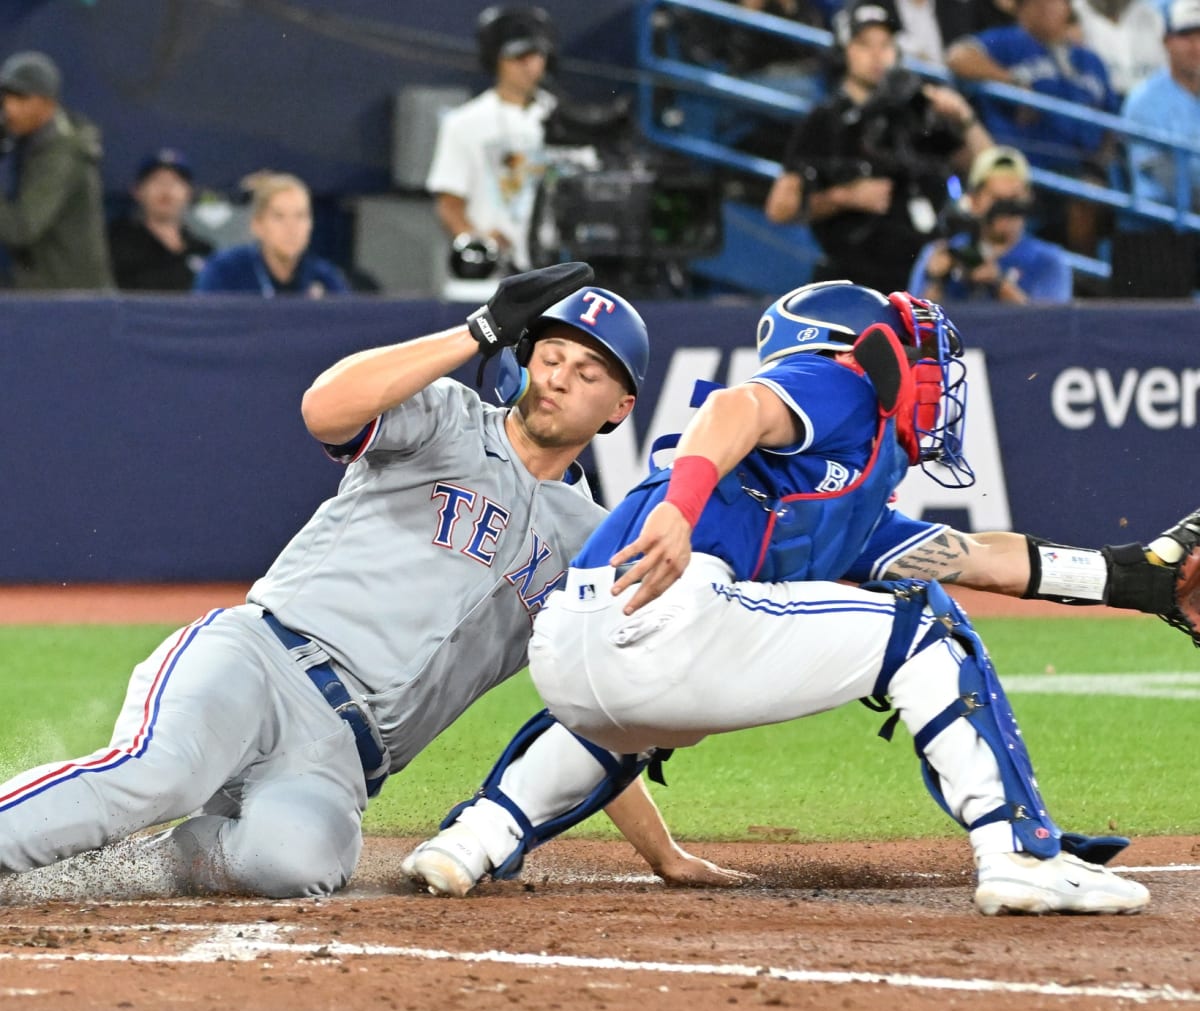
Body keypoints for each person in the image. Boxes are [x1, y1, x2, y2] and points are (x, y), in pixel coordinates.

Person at [404, 280, 1190, 914]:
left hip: (580, 651)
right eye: (916, 354)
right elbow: (733, 407)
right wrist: (682, 507)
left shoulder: (842, 495)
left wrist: (1126, 575)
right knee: (928, 637)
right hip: (672, 612)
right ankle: (1019, 854)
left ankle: (471, 840)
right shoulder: (841, 383)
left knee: (623, 717)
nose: (930, 375)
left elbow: (974, 557)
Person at [0, 263, 736, 900]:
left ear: (621, 408)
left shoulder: (589, 540)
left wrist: (660, 852)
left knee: (295, 864)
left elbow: (591, 709)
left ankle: (125, 868)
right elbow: (325, 408)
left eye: (588, 372)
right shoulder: (450, 418)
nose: (559, 379)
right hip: (260, 663)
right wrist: (474, 332)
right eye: (552, 355)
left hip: (342, 758)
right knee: (157, 774)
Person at [764, 1, 992, 292]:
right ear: (843, 51)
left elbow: (989, 169)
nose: (877, 55)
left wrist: (965, 117)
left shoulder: (915, 112)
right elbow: (779, 209)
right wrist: (844, 196)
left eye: (885, 44)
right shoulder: (825, 121)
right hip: (850, 284)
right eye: (864, 44)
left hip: (920, 285)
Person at [945, 0, 1119, 252]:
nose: (1047, 7)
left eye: (1055, 2)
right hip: (1019, 167)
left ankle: (1081, 283)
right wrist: (1010, 80)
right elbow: (957, 57)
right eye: (1037, 2)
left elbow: (1111, 121)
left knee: (1090, 194)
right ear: (1021, 8)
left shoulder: (1090, 60)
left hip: (1078, 166)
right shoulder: (1006, 41)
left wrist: (1099, 165)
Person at [426, 5, 558, 278]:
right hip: (494, 275)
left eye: (536, 55)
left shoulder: (567, 120)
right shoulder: (464, 123)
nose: (530, 65)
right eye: (518, 56)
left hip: (558, 266)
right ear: (496, 60)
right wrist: (480, 244)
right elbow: (449, 203)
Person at [0, 50, 112, 290]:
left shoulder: (62, 153)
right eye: (6, 97)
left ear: (47, 103)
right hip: (47, 292)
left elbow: (22, 228)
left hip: (72, 299)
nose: (10, 108)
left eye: (21, 98)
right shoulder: (28, 139)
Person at [909, 144, 1072, 300]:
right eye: (997, 200)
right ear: (974, 200)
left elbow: (1052, 325)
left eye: (1014, 200)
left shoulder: (1048, 261)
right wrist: (937, 281)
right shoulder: (944, 252)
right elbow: (913, 323)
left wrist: (998, 283)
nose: (1006, 211)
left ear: (1028, 200)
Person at [193, 171, 348, 297]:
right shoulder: (224, 272)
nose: (292, 228)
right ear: (258, 225)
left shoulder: (325, 278)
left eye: (301, 216)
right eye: (279, 217)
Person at [1122, 0, 1200, 213]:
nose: (1196, 47)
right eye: (1186, 36)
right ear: (1167, 41)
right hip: (1158, 225)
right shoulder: (1144, 100)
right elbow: (1166, 176)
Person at [107, 148, 213, 292]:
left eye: (175, 182)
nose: (166, 189)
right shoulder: (115, 244)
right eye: (156, 181)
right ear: (137, 191)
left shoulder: (204, 250)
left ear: (189, 193)